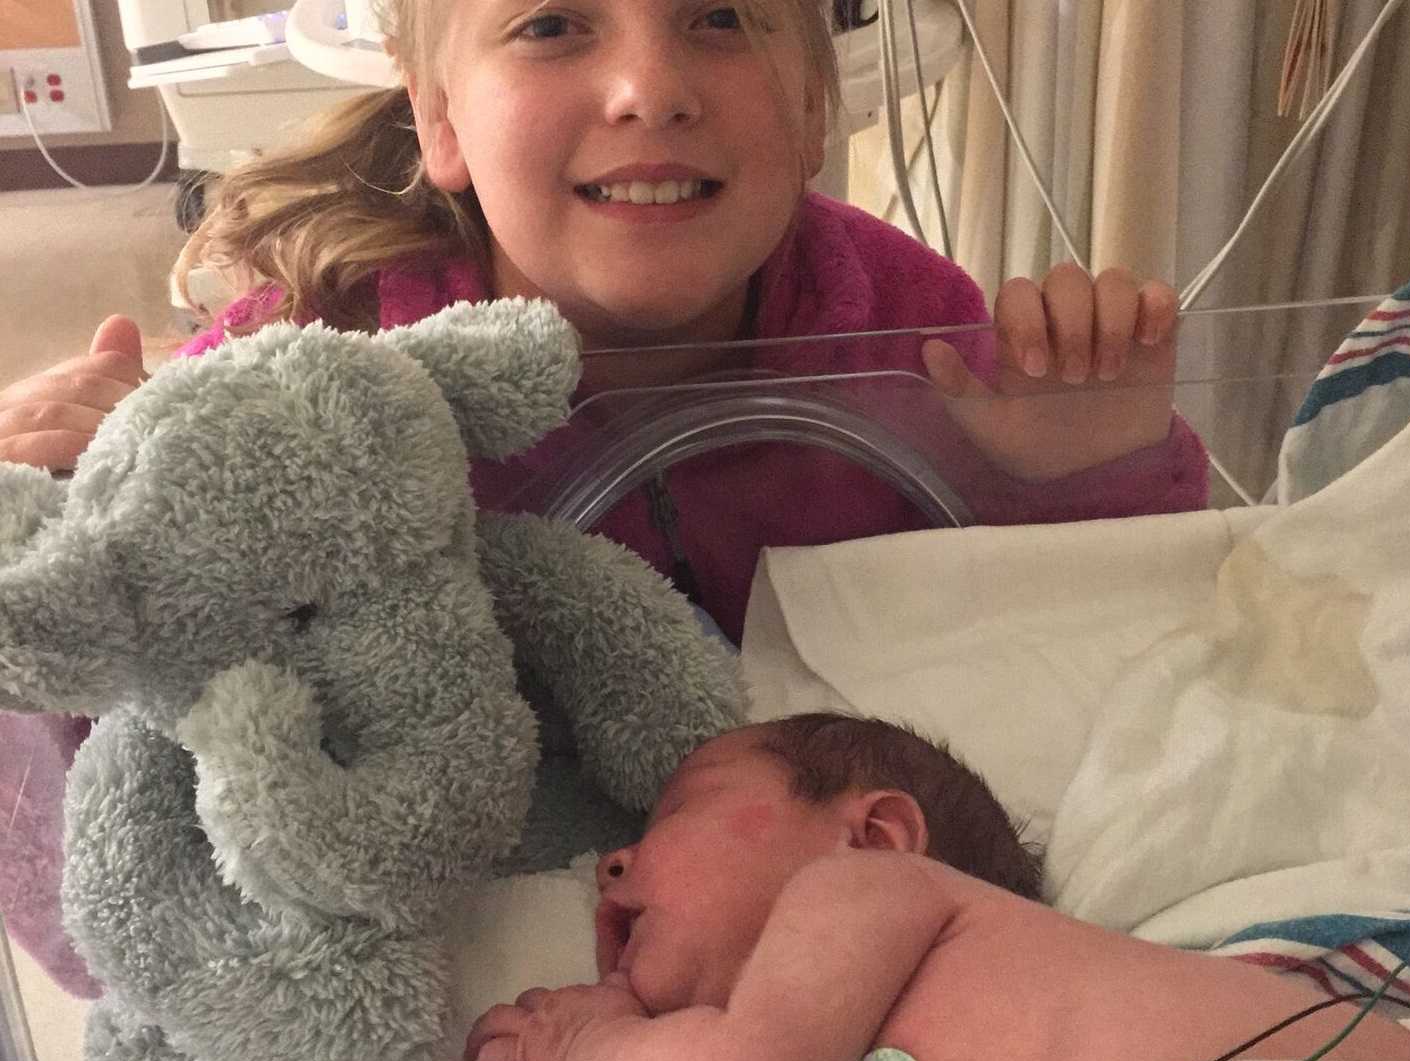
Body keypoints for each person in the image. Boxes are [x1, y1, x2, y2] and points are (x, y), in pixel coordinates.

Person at [0, 0, 1204, 645]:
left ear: (811, 102)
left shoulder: (904, 329)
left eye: (721, 16)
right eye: (552, 24)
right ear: (442, 125)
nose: (650, 88)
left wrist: (1082, 481)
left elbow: (1073, 661)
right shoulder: (319, 363)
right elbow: (128, 710)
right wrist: (77, 503)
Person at [464, 713, 1410, 1061]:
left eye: (678, 809)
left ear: (871, 832)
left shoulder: (867, 896)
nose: (610, 864)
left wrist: (588, 1048)